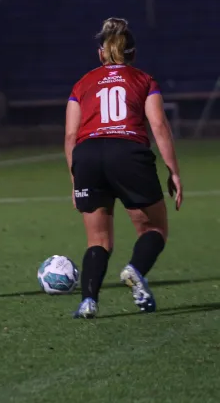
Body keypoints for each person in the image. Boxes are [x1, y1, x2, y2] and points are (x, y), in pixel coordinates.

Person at [65, 17, 183, 319]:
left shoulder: (82, 83)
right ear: (133, 53)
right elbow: (158, 125)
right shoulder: (144, 80)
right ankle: (135, 270)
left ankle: (88, 302)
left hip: (88, 155)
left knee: (98, 240)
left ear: (101, 53)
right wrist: (173, 171)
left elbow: (70, 135)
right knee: (154, 228)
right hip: (127, 152)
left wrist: (75, 178)